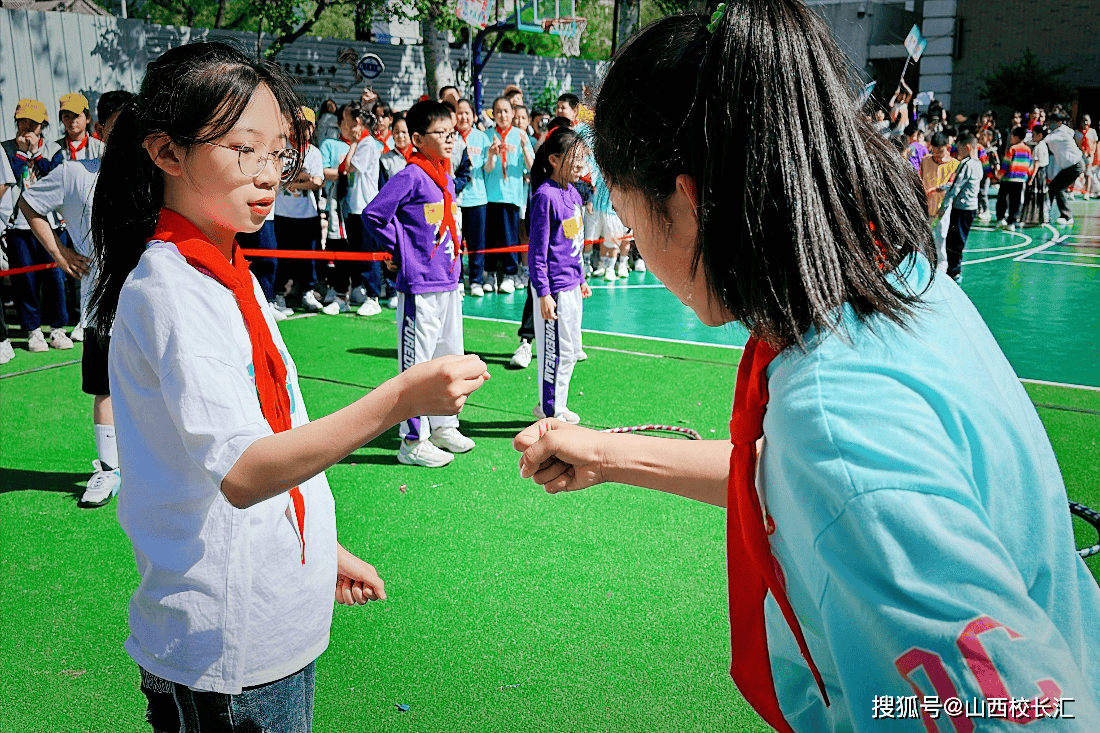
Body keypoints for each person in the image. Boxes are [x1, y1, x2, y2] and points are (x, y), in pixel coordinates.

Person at [512, 6, 1100, 732]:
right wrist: (607, 453)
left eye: (630, 215)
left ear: (688, 202)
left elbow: (1033, 715)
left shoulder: (836, 421)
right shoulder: (899, 278)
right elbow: (794, 480)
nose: (631, 237)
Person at [88, 42, 488, 729]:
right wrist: (400, 398)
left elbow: (262, 433)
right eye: (245, 149)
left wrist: (319, 551)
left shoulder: (224, 270)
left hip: (261, 619)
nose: (270, 173)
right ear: (166, 154)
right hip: (225, 647)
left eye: (278, 152)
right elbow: (244, 471)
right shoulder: (172, 290)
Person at [18, 90, 134, 507]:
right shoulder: (72, 173)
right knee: (104, 389)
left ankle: (161, 467)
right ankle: (107, 470)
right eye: (120, 126)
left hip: (152, 299)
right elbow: (29, 203)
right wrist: (59, 252)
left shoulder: (159, 174)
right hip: (100, 302)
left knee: (163, 384)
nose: (130, 135)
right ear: (101, 130)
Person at [364, 101, 479, 468]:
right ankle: (412, 440)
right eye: (441, 134)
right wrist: (400, 248)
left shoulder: (442, 174)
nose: (450, 140)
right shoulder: (411, 175)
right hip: (421, 285)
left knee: (450, 356)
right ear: (417, 138)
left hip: (448, 280)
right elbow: (374, 215)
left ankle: (444, 423)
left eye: (452, 133)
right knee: (417, 364)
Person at [527, 127, 591, 424]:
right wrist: (543, 293)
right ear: (554, 159)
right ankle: (549, 410)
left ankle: (556, 405)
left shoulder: (573, 193)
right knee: (554, 352)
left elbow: (572, 245)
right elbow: (537, 251)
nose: (580, 164)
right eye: (575, 158)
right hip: (553, 289)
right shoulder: (545, 197)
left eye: (583, 158)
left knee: (570, 350)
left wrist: (581, 278)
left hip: (571, 286)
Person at [1, 98, 70, 353]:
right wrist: (21, 154)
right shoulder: (6, 149)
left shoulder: (54, 148)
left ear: (43, 125)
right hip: (18, 224)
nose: (26, 127)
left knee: (55, 276)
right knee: (25, 280)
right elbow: (6, 178)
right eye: (22, 122)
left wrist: (37, 154)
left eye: (33, 123)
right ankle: (33, 331)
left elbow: (56, 176)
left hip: (50, 222)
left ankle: (58, 329)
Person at [274, 106, 325, 313]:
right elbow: (278, 178)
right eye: (298, 125)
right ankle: (278, 294)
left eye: (307, 126)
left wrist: (293, 181)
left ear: (313, 129)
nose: (302, 130)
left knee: (308, 256)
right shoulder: (281, 148)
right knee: (282, 256)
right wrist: (302, 177)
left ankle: (307, 292)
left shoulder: (314, 152)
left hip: (307, 214)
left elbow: (317, 182)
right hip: (282, 213)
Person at [483, 95, 534, 294]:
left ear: (513, 114)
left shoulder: (520, 136)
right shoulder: (486, 136)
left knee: (510, 237)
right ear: (493, 115)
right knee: (491, 239)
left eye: (506, 111)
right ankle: (491, 273)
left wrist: (523, 146)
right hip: (490, 196)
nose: (503, 115)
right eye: (498, 111)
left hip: (512, 196)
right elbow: (485, 170)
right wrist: (491, 155)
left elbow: (532, 167)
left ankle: (511, 275)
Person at [935, 130, 982, 281]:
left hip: (962, 208)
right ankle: (954, 270)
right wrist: (944, 186)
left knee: (954, 241)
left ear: (967, 147)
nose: (958, 151)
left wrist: (943, 206)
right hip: (971, 206)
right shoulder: (978, 164)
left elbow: (957, 186)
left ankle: (953, 271)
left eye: (960, 148)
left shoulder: (966, 164)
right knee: (958, 239)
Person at [456, 98, 490, 296]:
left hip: (477, 198)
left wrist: (493, 155)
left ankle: (476, 280)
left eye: (466, 113)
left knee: (477, 243)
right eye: (459, 113)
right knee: (456, 241)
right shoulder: (450, 138)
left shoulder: (482, 138)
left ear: (473, 116)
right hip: (456, 200)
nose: (463, 117)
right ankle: (458, 280)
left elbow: (487, 168)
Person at [918, 132, 958, 273]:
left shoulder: (954, 164)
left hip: (942, 207)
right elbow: (920, 178)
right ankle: (922, 265)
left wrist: (936, 189)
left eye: (940, 151)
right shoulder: (926, 160)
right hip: (925, 206)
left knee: (941, 237)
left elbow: (951, 186)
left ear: (947, 147)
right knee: (922, 238)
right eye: (934, 151)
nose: (937, 155)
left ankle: (942, 267)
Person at [1044, 112, 1085, 226]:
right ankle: (1045, 211)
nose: (1050, 124)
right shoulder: (1058, 131)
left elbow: (1047, 139)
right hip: (1068, 167)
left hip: (1075, 166)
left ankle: (1067, 216)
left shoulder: (1061, 132)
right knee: (1052, 186)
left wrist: (1034, 136)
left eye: (1053, 122)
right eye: (1050, 122)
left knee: (1059, 188)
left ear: (1059, 122)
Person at [996, 126, 1031, 231]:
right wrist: (1028, 176)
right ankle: (1011, 222)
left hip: (1008, 179)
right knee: (1015, 201)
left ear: (1016, 137)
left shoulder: (1012, 149)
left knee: (1002, 199)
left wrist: (999, 175)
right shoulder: (1028, 150)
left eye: (1012, 135)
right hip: (1020, 180)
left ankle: (1001, 219)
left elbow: (1006, 164)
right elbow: (1030, 165)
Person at [53, 92, 105, 163]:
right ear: (62, 120)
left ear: (88, 118)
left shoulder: (99, 148)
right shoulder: (55, 148)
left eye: (76, 116)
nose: (72, 121)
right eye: (67, 116)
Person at [1022, 125, 1049, 226]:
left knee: (1034, 195)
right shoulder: (1043, 145)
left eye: (1034, 134)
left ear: (1040, 135)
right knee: (1040, 196)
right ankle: (1040, 218)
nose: (1032, 136)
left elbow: (1037, 164)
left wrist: (1031, 178)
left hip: (1038, 174)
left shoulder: (1039, 147)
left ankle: (1032, 218)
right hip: (1042, 173)